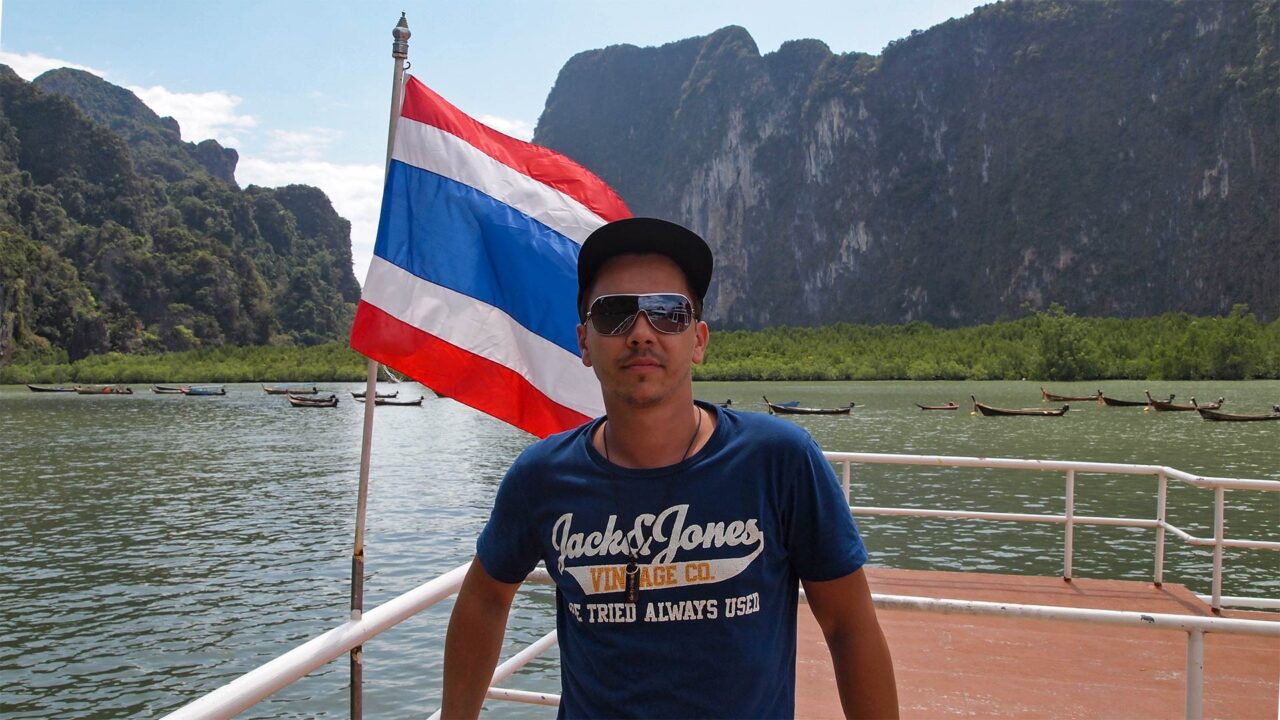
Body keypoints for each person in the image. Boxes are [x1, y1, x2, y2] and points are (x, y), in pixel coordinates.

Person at [442, 217, 898, 719]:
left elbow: (848, 624)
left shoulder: (778, 460)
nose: (641, 332)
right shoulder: (541, 477)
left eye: (667, 313)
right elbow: (486, 597)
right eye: (614, 314)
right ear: (585, 342)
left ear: (698, 340)